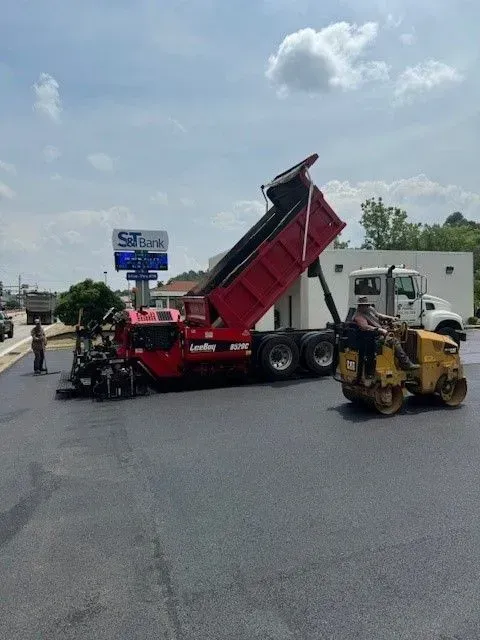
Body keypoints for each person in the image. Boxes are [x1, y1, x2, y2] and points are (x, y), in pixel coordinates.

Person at [352, 296, 419, 371]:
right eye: (365, 305)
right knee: (394, 341)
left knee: (397, 333)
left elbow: (378, 315)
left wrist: (391, 318)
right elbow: (365, 327)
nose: (367, 306)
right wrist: (380, 330)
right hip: (372, 337)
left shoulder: (369, 309)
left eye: (367, 305)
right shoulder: (358, 316)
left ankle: (399, 360)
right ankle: (406, 364)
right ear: (360, 306)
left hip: (378, 332)